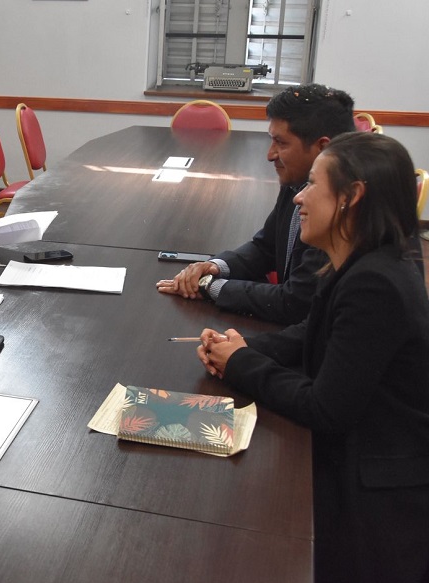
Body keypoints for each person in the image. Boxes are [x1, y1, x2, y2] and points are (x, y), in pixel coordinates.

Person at [197, 132, 429, 583]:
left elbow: (325, 408)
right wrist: (240, 347)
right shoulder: (363, 258)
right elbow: (313, 332)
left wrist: (241, 364)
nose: (299, 197)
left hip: (375, 499)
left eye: (313, 185)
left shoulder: (376, 284)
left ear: (350, 196)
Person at [157, 83, 356, 324]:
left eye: (281, 143)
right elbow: (266, 247)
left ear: (323, 148)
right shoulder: (297, 181)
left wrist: (210, 286)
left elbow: (294, 302)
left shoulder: (340, 211)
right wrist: (215, 267)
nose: (270, 155)